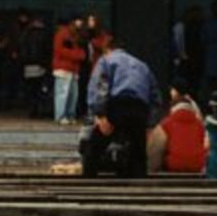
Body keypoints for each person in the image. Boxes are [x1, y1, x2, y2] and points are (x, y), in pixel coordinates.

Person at [81, 29, 161, 179]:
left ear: (108, 49)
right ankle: (139, 183)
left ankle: (88, 179)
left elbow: (100, 86)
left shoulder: (107, 60)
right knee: (138, 152)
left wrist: (100, 114)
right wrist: (150, 124)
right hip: (139, 109)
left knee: (94, 147)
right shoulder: (142, 65)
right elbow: (155, 97)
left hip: (118, 105)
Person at [149, 80, 205, 175]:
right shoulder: (199, 124)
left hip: (173, 167)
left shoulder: (166, 124)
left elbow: (154, 153)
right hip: (198, 167)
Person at [51, 16, 86, 125]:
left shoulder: (75, 35)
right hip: (64, 67)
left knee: (73, 95)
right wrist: (78, 55)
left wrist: (79, 54)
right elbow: (59, 50)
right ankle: (61, 116)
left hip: (73, 68)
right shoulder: (63, 34)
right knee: (63, 93)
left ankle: (70, 115)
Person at [18, 13, 51, 119]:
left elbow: (22, 49)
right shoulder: (44, 34)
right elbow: (47, 50)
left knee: (31, 90)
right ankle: (39, 110)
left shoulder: (26, 34)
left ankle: (32, 110)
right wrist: (46, 63)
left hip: (28, 66)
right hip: (40, 65)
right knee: (40, 90)